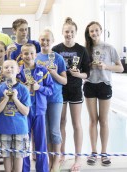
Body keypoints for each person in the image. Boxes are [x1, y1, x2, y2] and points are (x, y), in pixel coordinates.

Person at [52, 17, 90, 172]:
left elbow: (87, 74)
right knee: (61, 122)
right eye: (66, 31)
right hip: (60, 90)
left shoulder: (82, 50)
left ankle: (77, 157)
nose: (69, 34)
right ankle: (61, 154)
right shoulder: (55, 49)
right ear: (62, 32)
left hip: (75, 90)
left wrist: (77, 74)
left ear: (75, 33)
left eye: (71, 32)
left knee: (76, 123)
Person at [84, 21, 123, 167]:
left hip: (104, 85)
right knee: (93, 120)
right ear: (88, 33)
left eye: (96, 30)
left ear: (101, 30)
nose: (94, 33)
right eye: (91, 31)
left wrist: (106, 66)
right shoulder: (85, 49)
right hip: (89, 85)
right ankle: (94, 152)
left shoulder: (109, 48)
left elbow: (120, 68)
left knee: (104, 120)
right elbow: (81, 68)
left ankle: (104, 153)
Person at [18, 44, 53, 172]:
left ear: (36, 54)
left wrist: (40, 88)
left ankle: (43, 170)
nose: (29, 56)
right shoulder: (18, 72)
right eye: (26, 53)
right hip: (23, 112)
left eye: (32, 53)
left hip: (39, 111)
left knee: (41, 143)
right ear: (21, 55)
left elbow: (51, 90)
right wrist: (24, 89)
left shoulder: (43, 71)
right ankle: (24, 169)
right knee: (24, 143)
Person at [35, 29, 67, 172]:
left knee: (54, 130)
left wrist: (53, 73)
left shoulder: (58, 58)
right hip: (41, 99)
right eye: (43, 39)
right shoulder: (36, 57)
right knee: (46, 131)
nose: (45, 42)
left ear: (52, 41)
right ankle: (49, 160)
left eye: (48, 40)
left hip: (55, 98)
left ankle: (56, 161)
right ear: (39, 40)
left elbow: (64, 81)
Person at [0, 60, 31, 172]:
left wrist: (15, 99)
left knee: (19, 157)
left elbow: (25, 112)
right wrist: (5, 99)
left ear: (18, 70)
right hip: (4, 129)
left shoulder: (23, 89)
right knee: (6, 156)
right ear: (2, 71)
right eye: (6, 67)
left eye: (12, 67)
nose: (9, 69)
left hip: (20, 129)